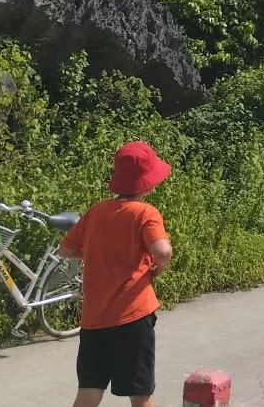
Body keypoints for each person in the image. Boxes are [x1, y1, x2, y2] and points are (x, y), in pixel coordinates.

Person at [58, 141, 174, 407]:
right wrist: (157, 267)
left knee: (89, 389)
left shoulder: (96, 211)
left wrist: (95, 254)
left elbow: (65, 249)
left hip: (94, 319)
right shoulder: (146, 213)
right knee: (140, 391)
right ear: (147, 183)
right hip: (133, 317)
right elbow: (163, 251)